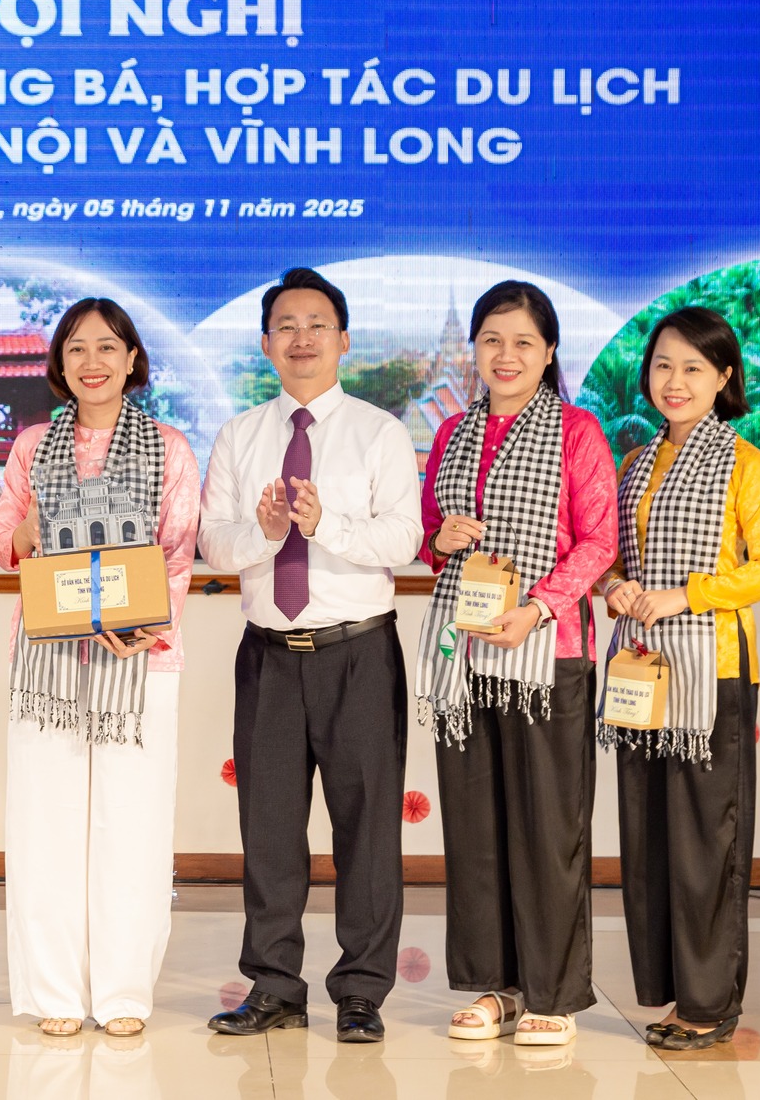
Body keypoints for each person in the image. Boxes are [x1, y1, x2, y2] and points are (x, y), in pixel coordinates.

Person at [199, 266, 422, 1045]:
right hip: (268, 655)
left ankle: (361, 990)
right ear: (266, 343)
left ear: (344, 339)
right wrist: (264, 533)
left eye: (316, 324)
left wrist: (325, 524)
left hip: (357, 652)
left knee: (368, 829)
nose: (301, 339)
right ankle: (273, 984)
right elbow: (212, 542)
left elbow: (405, 538)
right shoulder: (239, 435)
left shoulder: (379, 432)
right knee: (268, 827)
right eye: (286, 326)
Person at [0, 298, 200, 1038]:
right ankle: (55, 992)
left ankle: (122, 993)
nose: (92, 362)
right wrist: (27, 526)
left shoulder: (170, 447)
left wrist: (143, 624)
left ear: (132, 358)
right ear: (59, 363)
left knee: (131, 824)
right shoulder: (30, 447)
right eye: (76, 348)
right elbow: (3, 546)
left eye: (108, 347)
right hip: (46, 660)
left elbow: (179, 552)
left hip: (142, 661)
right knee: (44, 823)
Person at [420, 279, 618, 1047]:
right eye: (492, 340)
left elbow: (599, 542)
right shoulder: (450, 432)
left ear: (549, 351)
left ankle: (553, 993)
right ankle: (496, 987)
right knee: (478, 831)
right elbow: (430, 535)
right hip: (464, 655)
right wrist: (439, 537)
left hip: (548, 657)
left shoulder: (577, 430)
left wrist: (537, 606)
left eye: (523, 342)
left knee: (547, 829)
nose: (505, 356)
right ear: (472, 347)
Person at [600, 307, 760, 1051]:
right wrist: (616, 585)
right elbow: (614, 557)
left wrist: (688, 593)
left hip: (713, 673)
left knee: (707, 843)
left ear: (723, 378)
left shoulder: (748, 465)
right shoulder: (635, 462)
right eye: (662, 365)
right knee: (650, 837)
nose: (674, 381)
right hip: (641, 671)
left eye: (692, 367)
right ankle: (673, 990)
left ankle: (710, 1004)